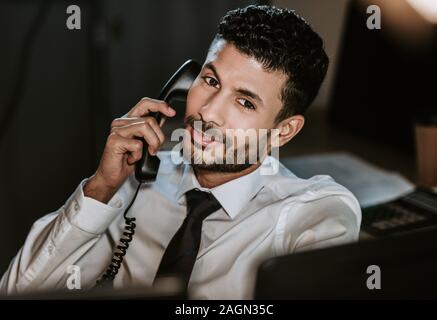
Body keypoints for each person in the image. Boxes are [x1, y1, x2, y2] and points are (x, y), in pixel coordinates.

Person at [0, 5, 361, 299]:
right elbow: (19, 291)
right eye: (210, 81)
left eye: (245, 102)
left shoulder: (313, 212)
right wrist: (100, 188)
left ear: (283, 131)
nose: (208, 112)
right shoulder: (137, 179)